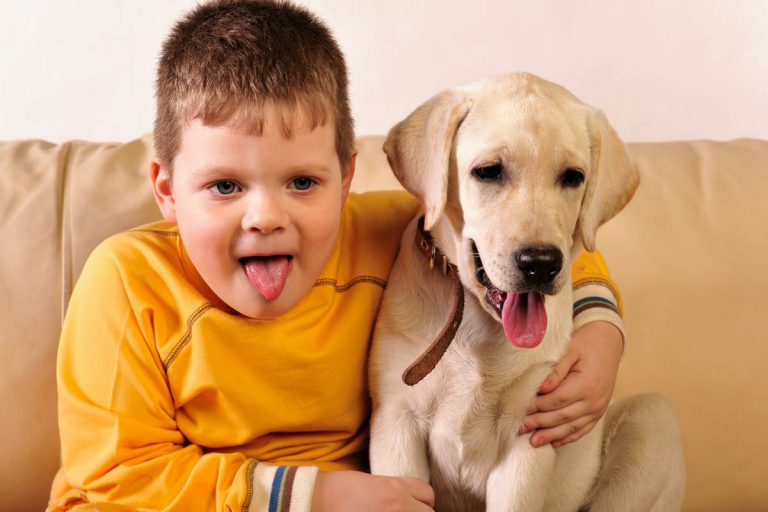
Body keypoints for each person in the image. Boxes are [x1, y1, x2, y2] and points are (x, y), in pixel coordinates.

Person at [48, 1, 625, 511]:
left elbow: (532, 245)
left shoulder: (392, 233)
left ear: (345, 179)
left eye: (302, 182)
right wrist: (310, 496)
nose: (265, 217)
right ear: (168, 189)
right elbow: (117, 474)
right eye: (225, 186)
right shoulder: (127, 280)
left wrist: (600, 332)